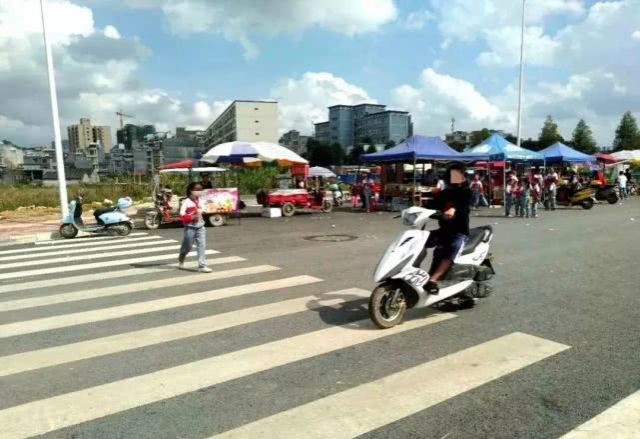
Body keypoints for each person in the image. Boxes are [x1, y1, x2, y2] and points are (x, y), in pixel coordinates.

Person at [423, 162, 471, 295]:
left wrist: (453, 209)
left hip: (459, 232)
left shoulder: (466, 192)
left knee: (452, 249)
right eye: (451, 175)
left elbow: (462, 204)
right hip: (443, 231)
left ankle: (432, 280)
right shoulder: (444, 193)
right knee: (418, 241)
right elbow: (431, 205)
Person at [178, 182, 211, 273]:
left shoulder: (201, 200)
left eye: (200, 189)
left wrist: (202, 211)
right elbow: (182, 214)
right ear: (190, 190)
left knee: (201, 246)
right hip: (190, 227)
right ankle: (181, 257)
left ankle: (202, 265)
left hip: (200, 227)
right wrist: (191, 216)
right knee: (187, 246)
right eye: (196, 189)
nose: (199, 191)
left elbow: (204, 209)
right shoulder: (186, 202)